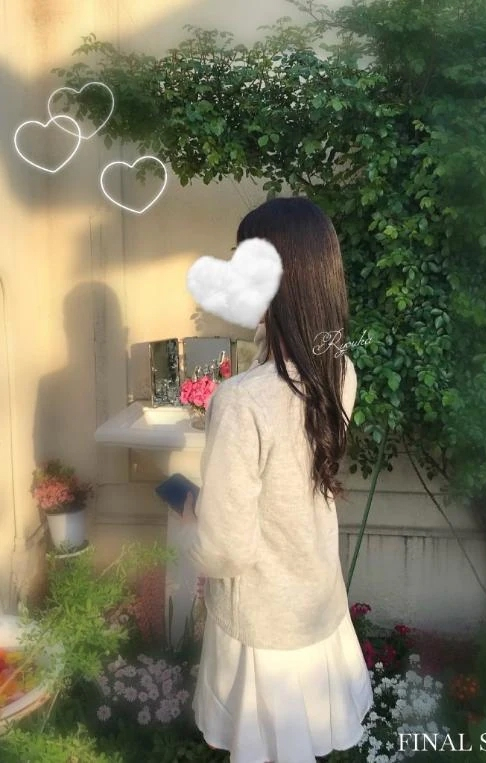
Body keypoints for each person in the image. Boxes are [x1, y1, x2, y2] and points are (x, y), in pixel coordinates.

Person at [180, 197, 373, 763]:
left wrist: (194, 515)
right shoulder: (340, 371)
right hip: (315, 604)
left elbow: (226, 548)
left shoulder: (242, 400)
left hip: (261, 626)